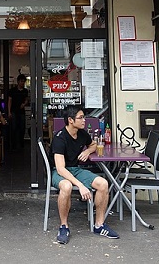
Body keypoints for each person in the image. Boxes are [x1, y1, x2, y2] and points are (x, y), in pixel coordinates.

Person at [50, 105, 118, 244]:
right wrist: (80, 185)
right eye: (80, 118)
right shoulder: (60, 138)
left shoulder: (82, 133)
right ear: (70, 120)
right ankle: (64, 226)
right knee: (67, 187)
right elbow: (61, 168)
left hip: (76, 170)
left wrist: (87, 151)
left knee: (103, 184)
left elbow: (93, 144)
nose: (84, 120)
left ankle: (99, 225)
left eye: (84, 117)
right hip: (60, 171)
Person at [7, 73, 29, 150]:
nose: (22, 83)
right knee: (14, 128)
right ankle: (13, 145)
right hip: (13, 111)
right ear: (18, 81)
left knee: (22, 128)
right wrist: (9, 112)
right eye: (21, 81)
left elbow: (26, 100)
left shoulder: (25, 91)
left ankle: (21, 144)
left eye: (24, 81)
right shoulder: (12, 91)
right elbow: (9, 101)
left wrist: (24, 104)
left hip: (21, 111)